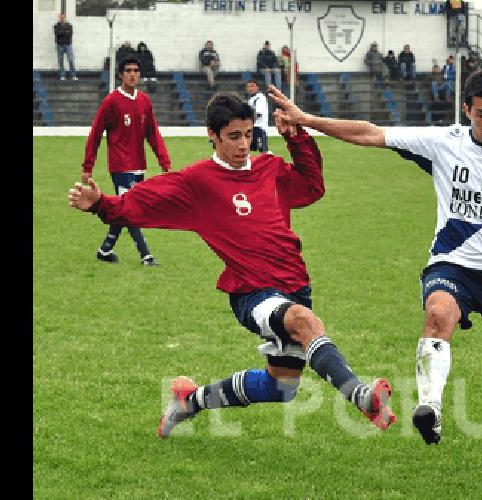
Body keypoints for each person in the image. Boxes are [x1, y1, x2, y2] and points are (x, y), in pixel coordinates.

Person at [266, 70, 482, 453]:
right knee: (438, 311)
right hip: (452, 266)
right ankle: (430, 406)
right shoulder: (444, 142)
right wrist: (307, 120)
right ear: (467, 110)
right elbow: (370, 133)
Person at [68, 91, 397, 439]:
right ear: (212, 135)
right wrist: (100, 204)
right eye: (233, 137)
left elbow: (312, 186)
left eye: (248, 135)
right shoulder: (198, 182)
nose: (243, 145)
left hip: (295, 285)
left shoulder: (269, 169)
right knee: (304, 322)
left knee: (280, 387)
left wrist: (296, 137)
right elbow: (141, 202)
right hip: (251, 292)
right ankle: (361, 396)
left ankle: (189, 400)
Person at [81, 57, 172, 266]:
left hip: (139, 165)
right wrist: (88, 166)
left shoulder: (144, 101)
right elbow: (95, 134)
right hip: (120, 165)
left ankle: (105, 249)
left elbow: (153, 133)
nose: (133, 74)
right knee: (131, 209)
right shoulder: (111, 102)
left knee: (124, 209)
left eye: (136, 70)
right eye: (128, 70)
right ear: (120, 75)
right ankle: (146, 255)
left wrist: (164, 161)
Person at [245, 79, 271, 154]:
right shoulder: (251, 99)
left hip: (259, 128)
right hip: (252, 128)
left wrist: (248, 122)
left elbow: (258, 114)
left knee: (263, 151)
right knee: (246, 149)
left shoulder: (260, 98)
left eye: (252, 86)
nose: (250, 88)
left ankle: (271, 162)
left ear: (257, 87)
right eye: (248, 86)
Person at [53, 12, 78, 81]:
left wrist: (62, 32)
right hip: (59, 45)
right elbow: (57, 34)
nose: (62, 19)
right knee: (60, 61)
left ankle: (73, 75)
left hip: (68, 44)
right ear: (59, 18)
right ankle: (62, 75)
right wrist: (65, 32)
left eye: (63, 17)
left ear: (65, 18)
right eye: (61, 17)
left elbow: (69, 34)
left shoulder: (69, 26)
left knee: (71, 59)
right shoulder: (56, 26)